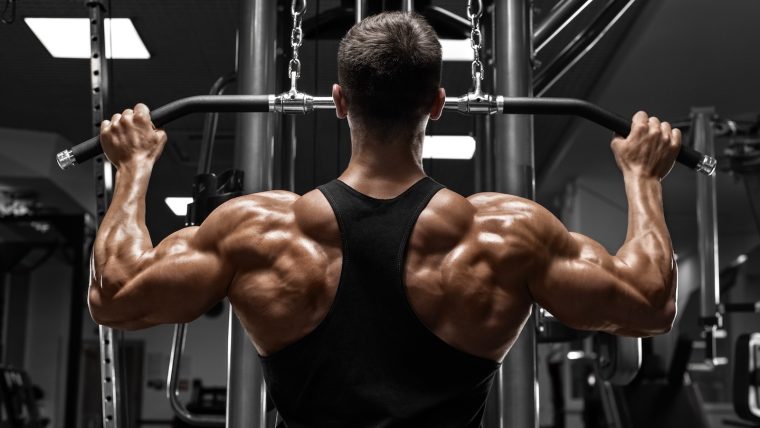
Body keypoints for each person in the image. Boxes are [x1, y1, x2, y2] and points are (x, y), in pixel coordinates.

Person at [88, 11, 680, 428]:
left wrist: (135, 166)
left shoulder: (258, 233)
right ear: (438, 104)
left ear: (340, 101)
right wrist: (642, 178)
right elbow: (650, 304)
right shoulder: (508, 236)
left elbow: (114, 296)